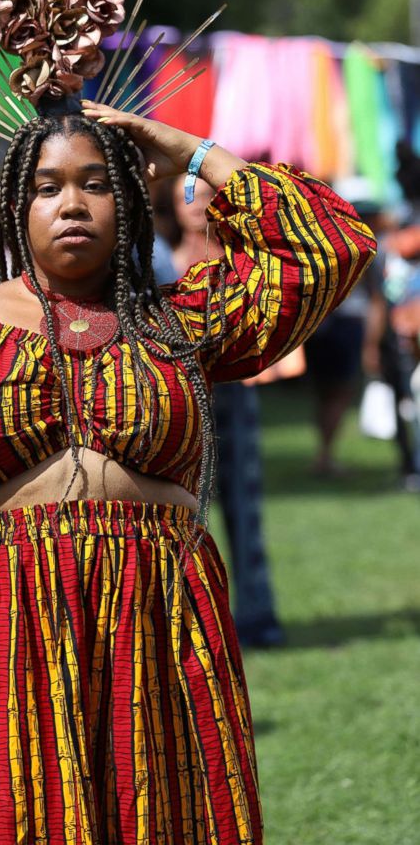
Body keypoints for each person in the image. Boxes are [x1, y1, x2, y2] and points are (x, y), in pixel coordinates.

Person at [0, 0, 375, 845]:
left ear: (131, 201)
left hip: (153, 633)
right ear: (15, 210)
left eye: (95, 184)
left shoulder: (181, 325)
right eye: (46, 188)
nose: (71, 203)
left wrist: (184, 147)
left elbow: (327, 244)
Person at [168, 172, 284, 648]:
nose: (195, 205)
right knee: (185, 512)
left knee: (243, 502)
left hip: (232, 392)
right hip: (181, 399)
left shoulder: (241, 263)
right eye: (185, 197)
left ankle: (257, 613)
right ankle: (197, 625)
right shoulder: (162, 261)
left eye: (204, 195)